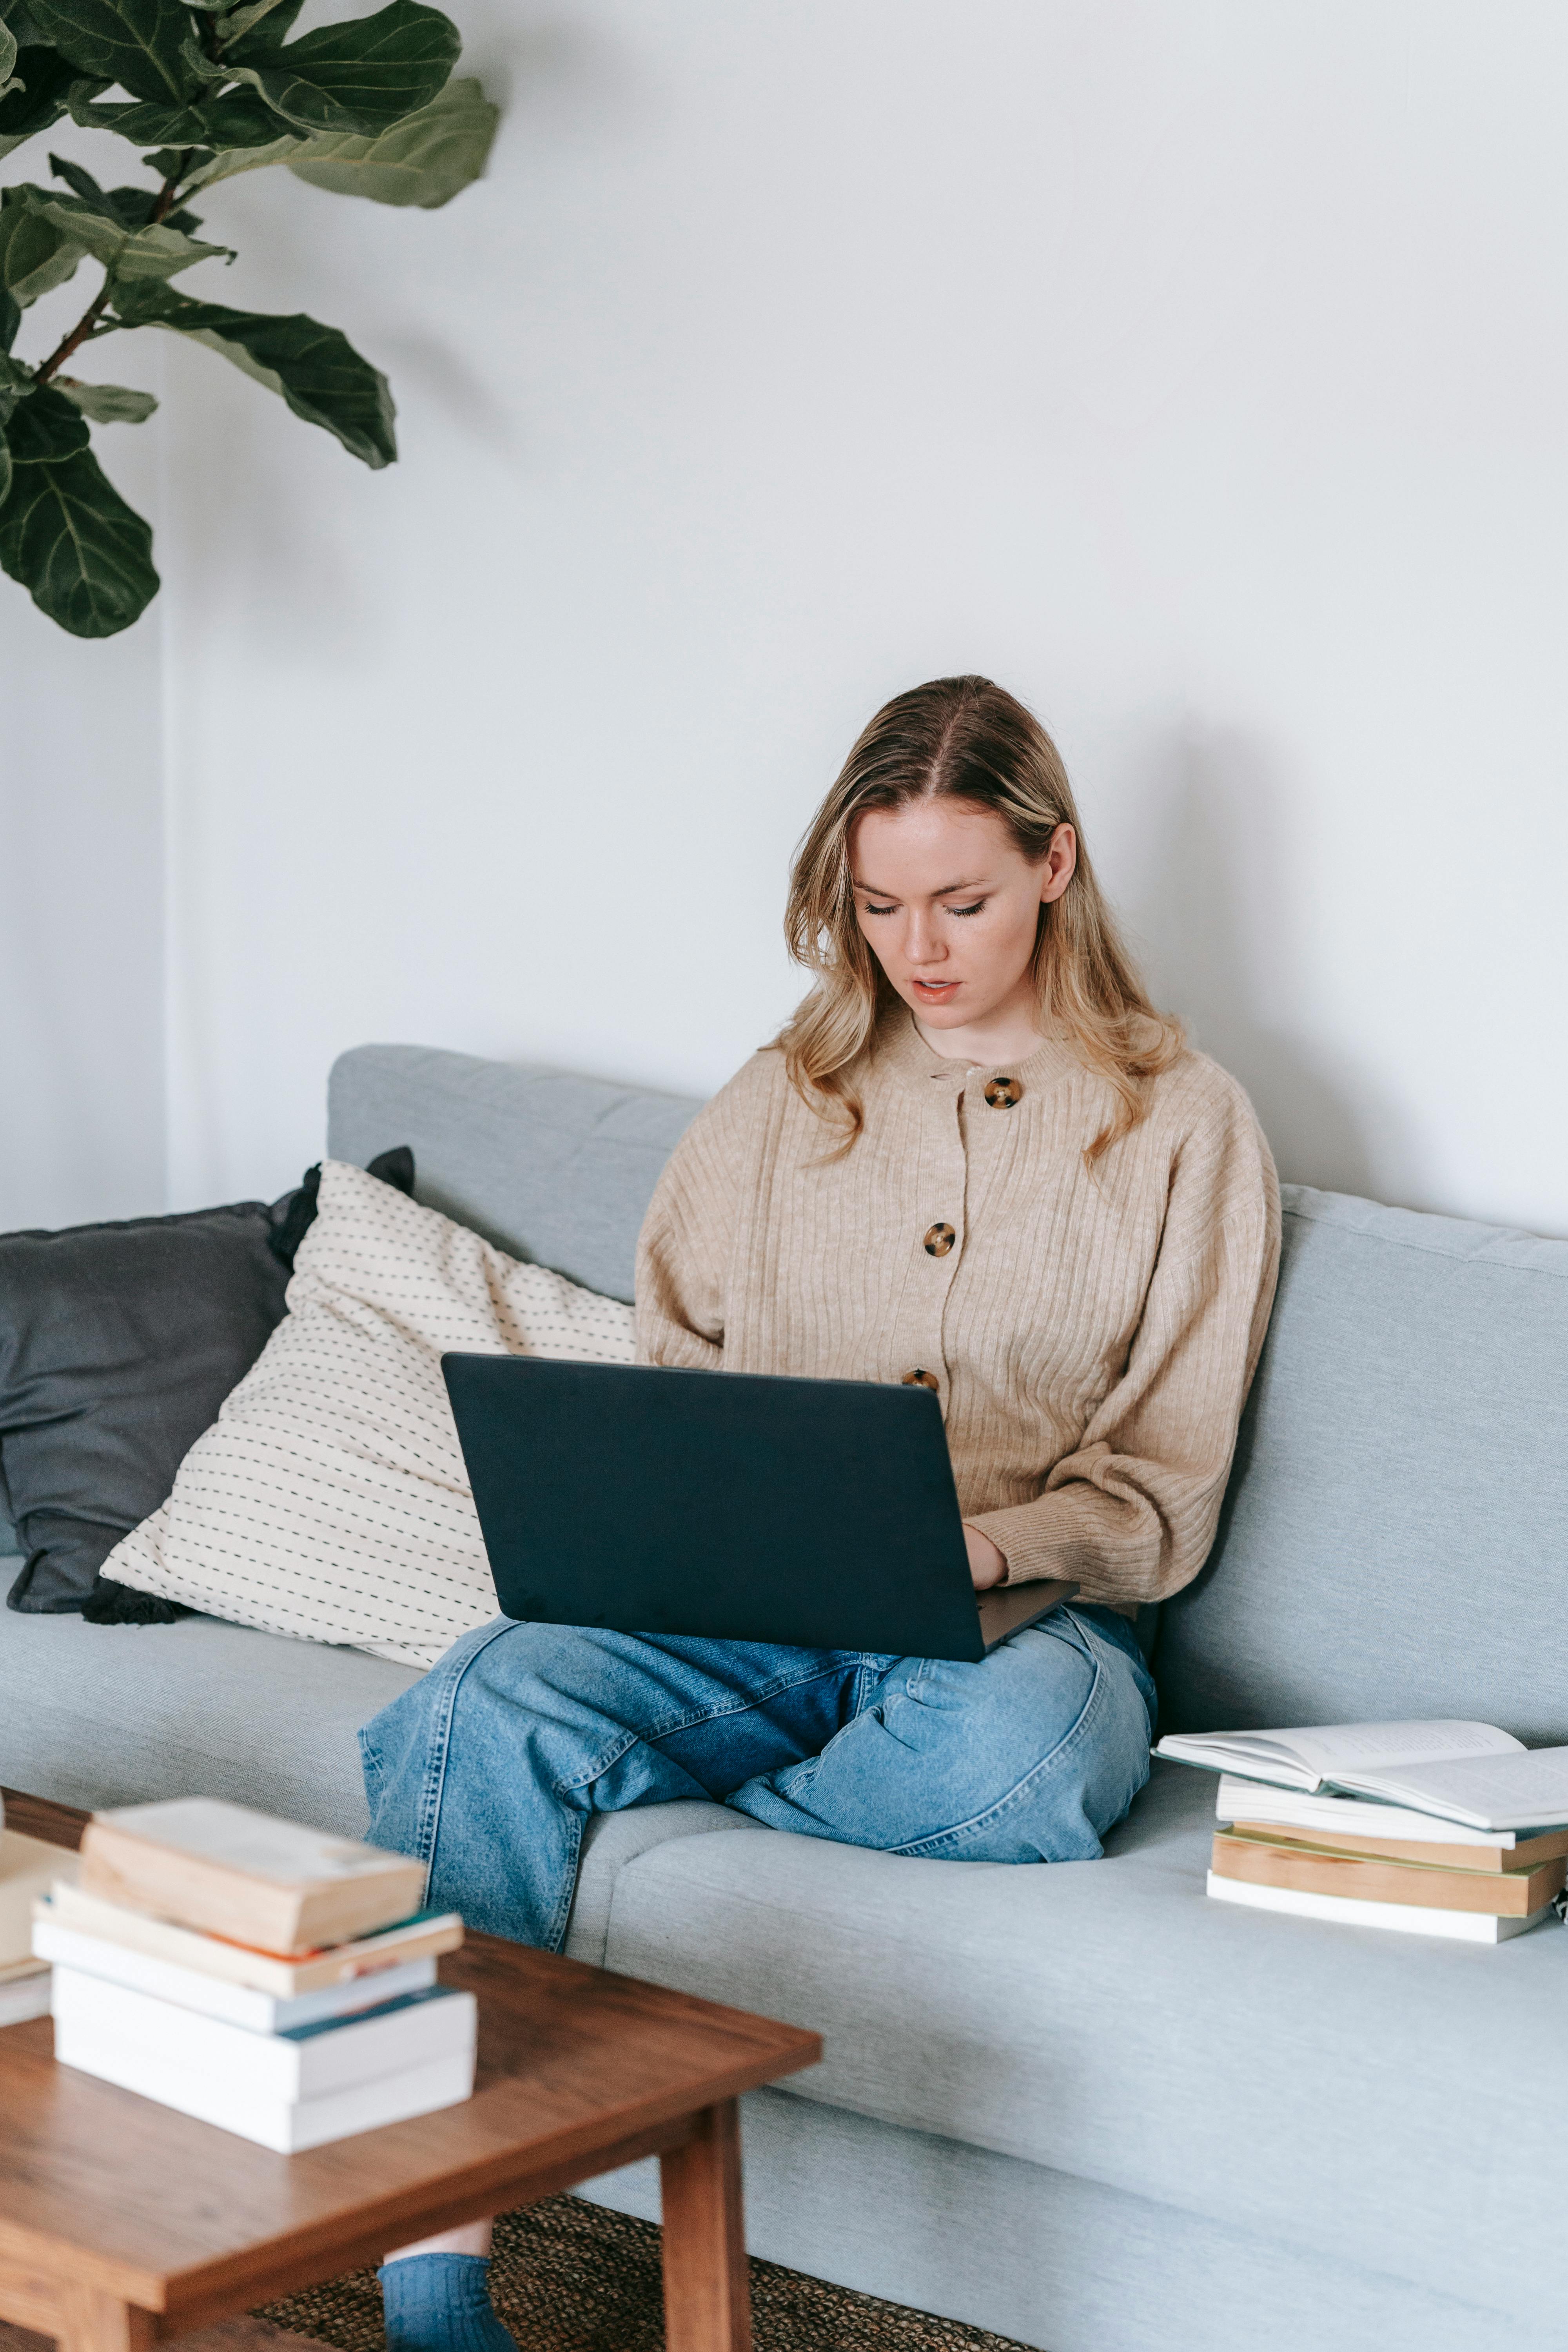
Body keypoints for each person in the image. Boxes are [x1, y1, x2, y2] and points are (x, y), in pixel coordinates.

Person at [366, 673, 1281, 2352]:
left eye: (962, 901)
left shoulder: (1184, 1123)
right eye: (875, 905)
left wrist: (1001, 1541)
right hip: (749, 1607)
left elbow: (1165, 1485)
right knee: (472, 1703)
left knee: (1015, 1771)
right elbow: (672, 1362)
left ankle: (701, 1793)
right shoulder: (786, 1093)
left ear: (1056, 864)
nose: (915, 946)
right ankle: (432, 2276)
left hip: (1017, 1631)